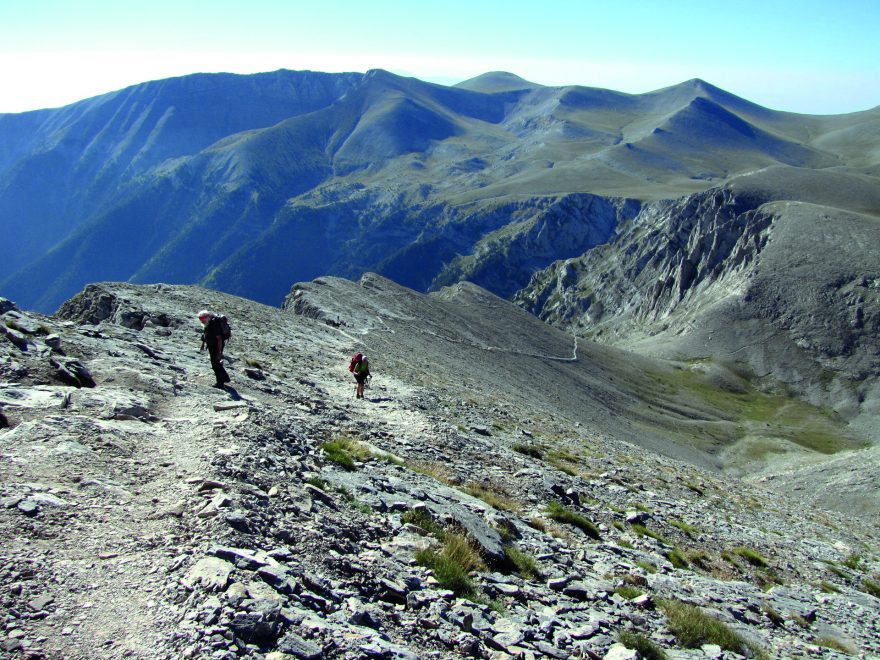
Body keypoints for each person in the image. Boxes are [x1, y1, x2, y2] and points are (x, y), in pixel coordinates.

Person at [198, 310, 231, 389]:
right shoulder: (208, 322)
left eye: (203, 320)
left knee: (215, 364)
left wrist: (219, 352)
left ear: (207, 317)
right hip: (211, 345)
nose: (201, 321)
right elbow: (206, 333)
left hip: (216, 346)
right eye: (200, 320)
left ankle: (220, 383)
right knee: (216, 363)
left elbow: (219, 339)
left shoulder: (214, 323)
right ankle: (225, 378)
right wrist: (203, 344)